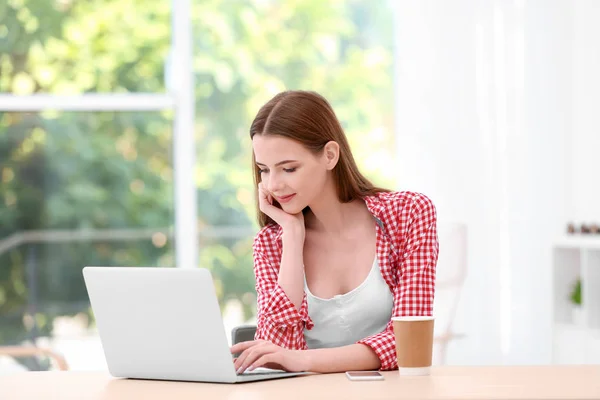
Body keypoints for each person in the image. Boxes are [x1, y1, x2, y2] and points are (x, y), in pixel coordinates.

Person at [231, 90, 438, 374]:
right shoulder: (270, 244)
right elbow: (275, 354)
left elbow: (409, 341)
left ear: (329, 155)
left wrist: (302, 360)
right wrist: (292, 236)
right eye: (264, 170)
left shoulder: (408, 214)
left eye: (288, 169)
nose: (273, 185)